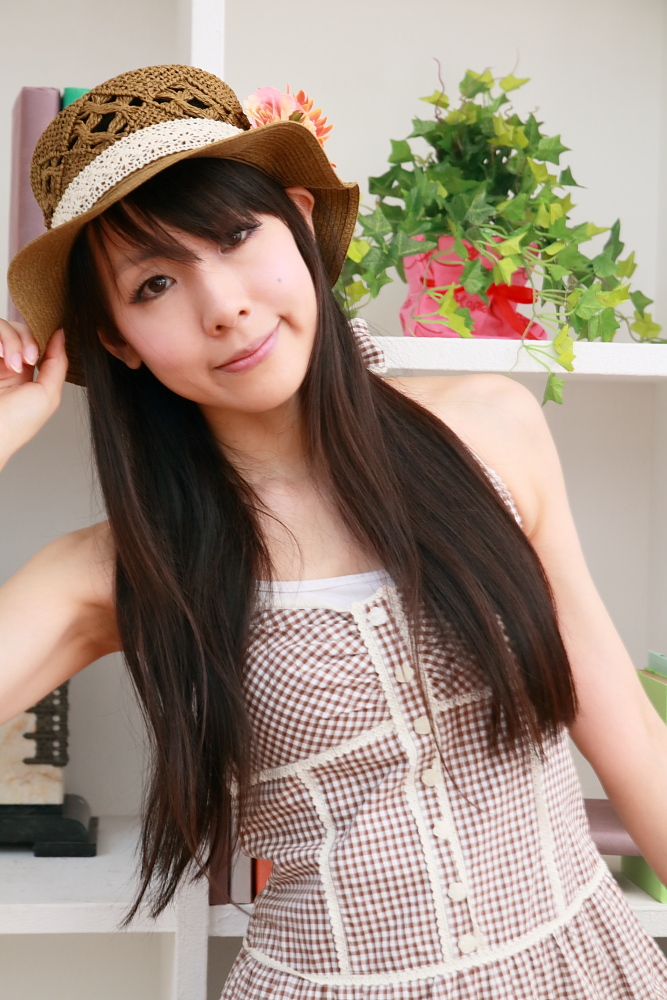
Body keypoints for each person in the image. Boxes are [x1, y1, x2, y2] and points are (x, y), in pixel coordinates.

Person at [2, 63, 667, 998]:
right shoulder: (116, 570)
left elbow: (625, 731)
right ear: (116, 340)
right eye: (153, 283)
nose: (224, 306)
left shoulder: (491, 427)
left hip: (584, 967)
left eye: (237, 236)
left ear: (302, 221)